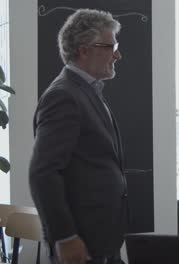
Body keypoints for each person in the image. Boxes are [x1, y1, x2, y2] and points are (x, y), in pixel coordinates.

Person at [29, 9, 127, 264]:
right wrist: (65, 237)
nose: (117, 54)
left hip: (101, 239)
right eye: (110, 46)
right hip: (81, 244)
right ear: (85, 50)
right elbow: (43, 173)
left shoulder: (87, 90)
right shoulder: (63, 96)